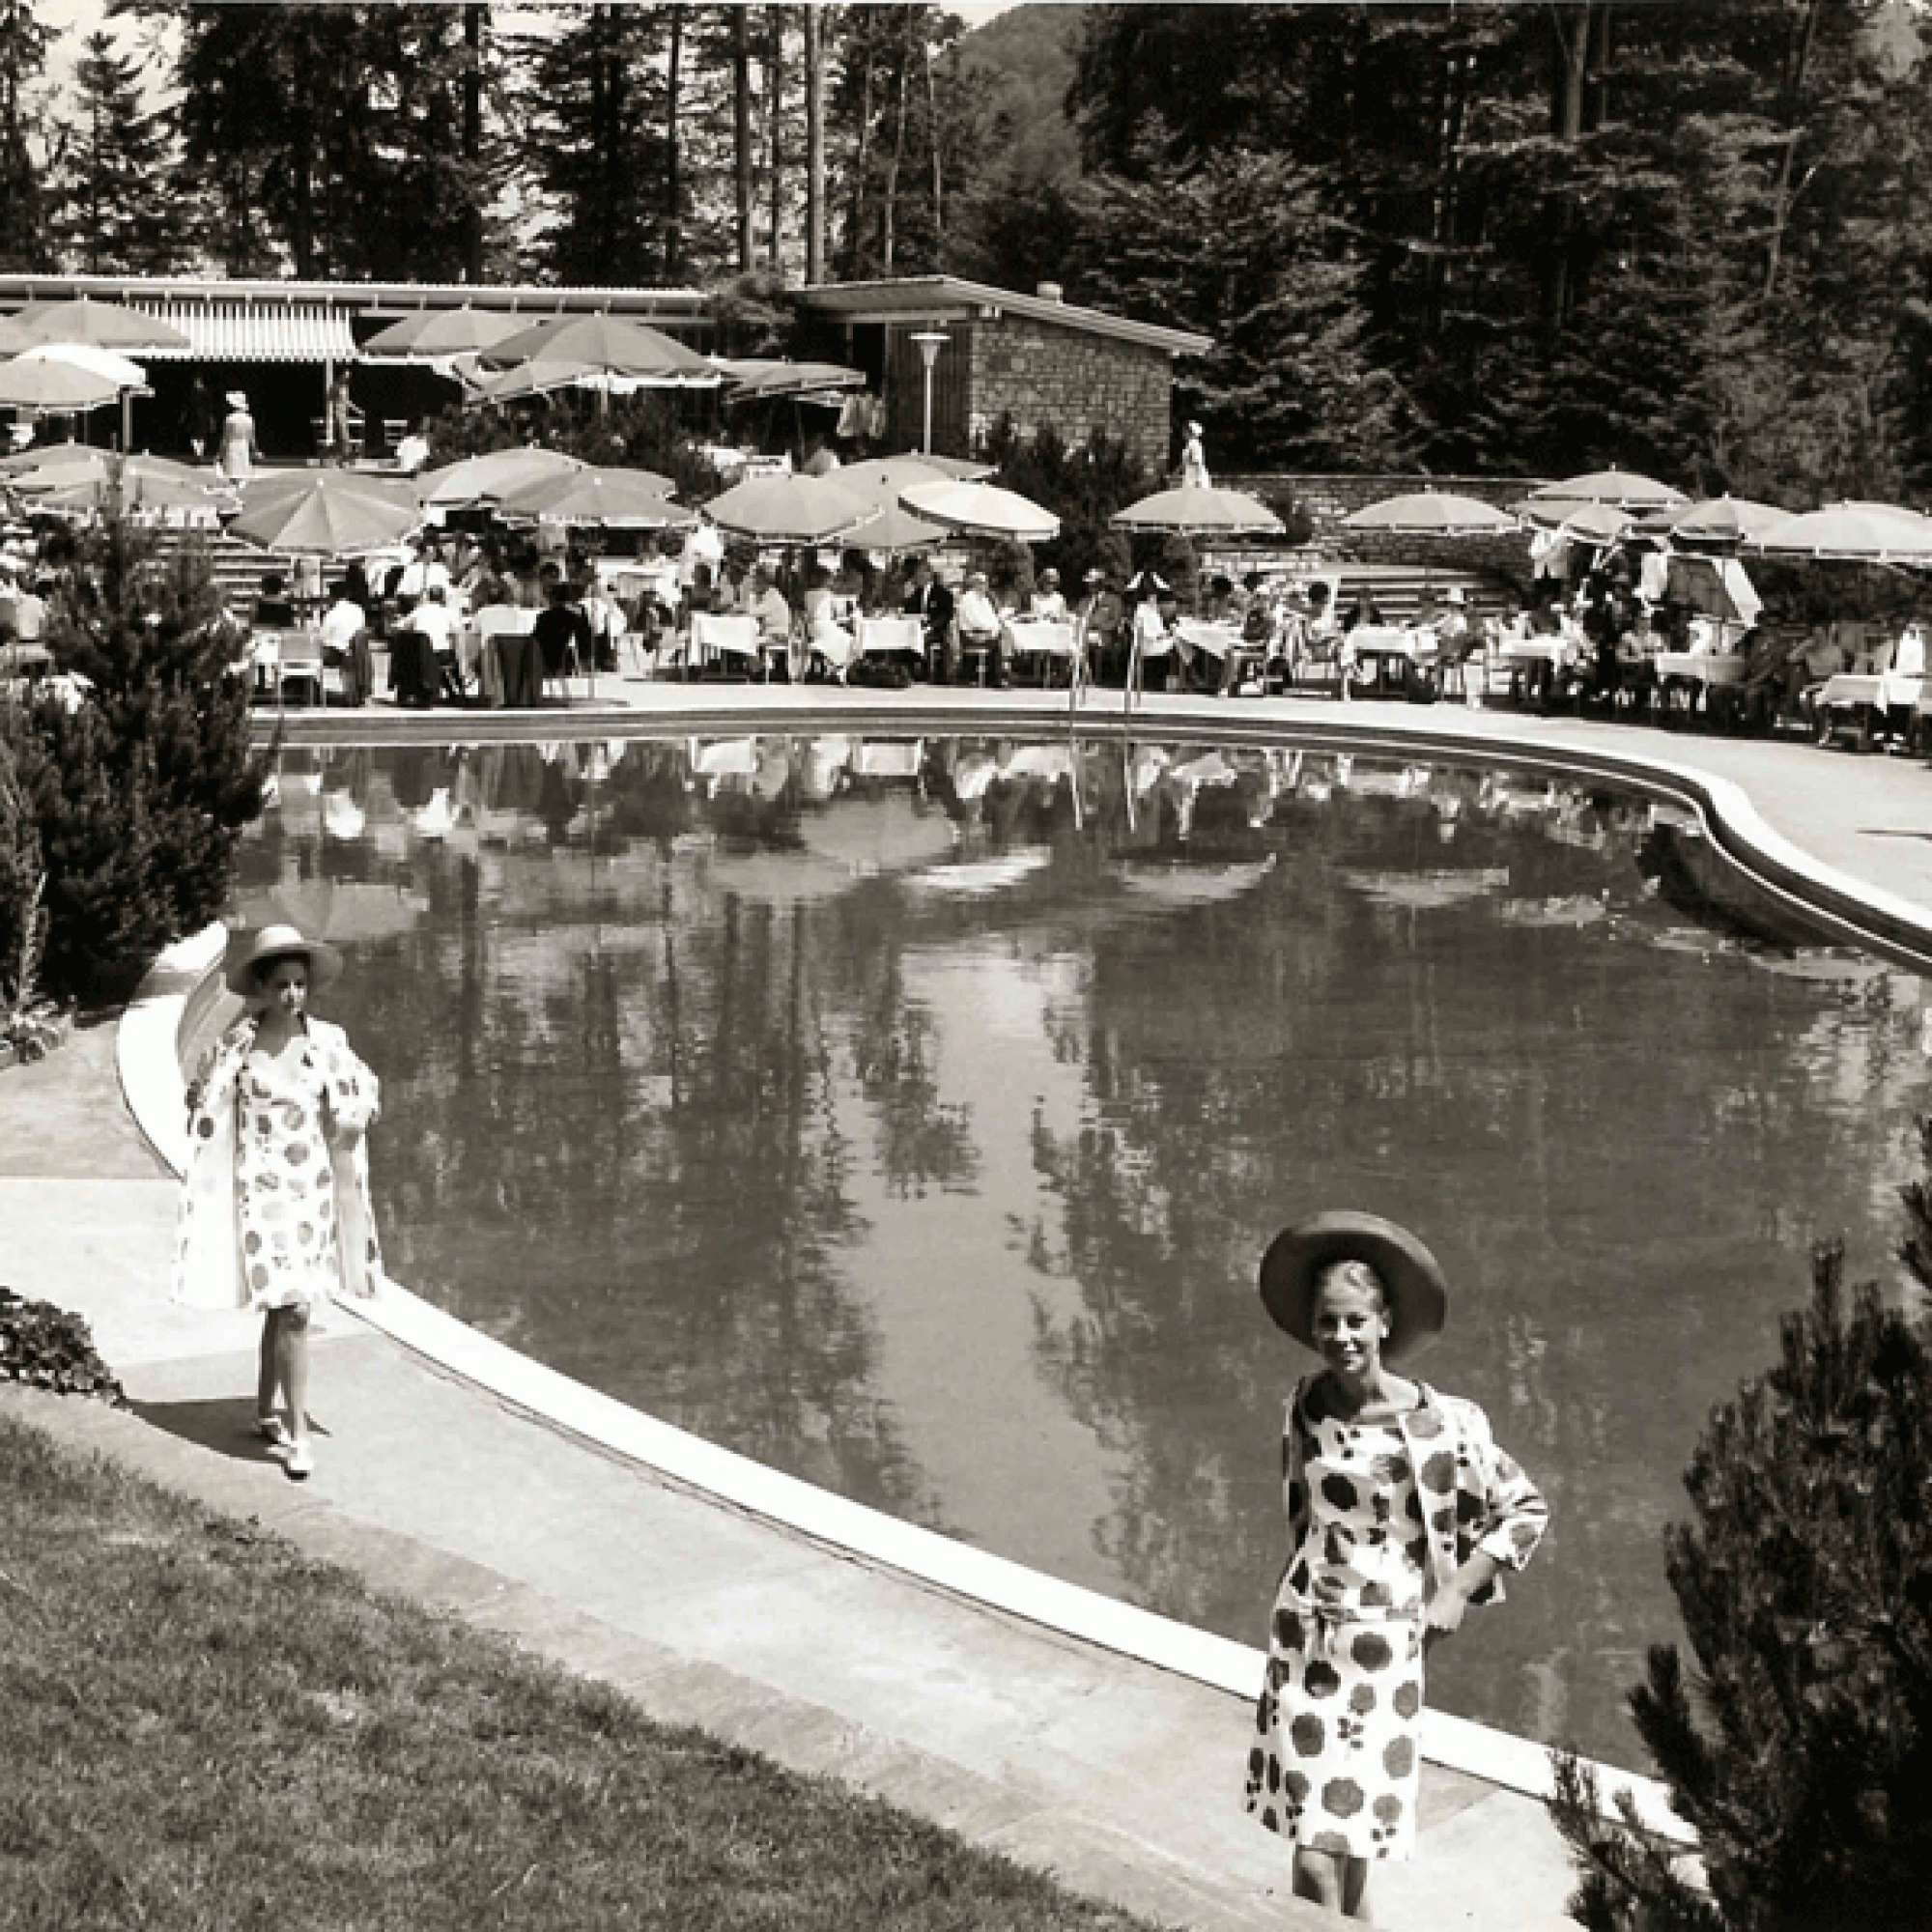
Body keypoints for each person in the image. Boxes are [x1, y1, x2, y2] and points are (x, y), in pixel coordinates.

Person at [1246, 1212, 1548, 1920]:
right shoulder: (1302, 1404)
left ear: (1385, 1324)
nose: (1341, 1339)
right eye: (1327, 1323)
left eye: (1356, 1322)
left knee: (1344, 1843)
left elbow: (1525, 1509)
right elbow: (1303, 1515)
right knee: (1315, 1844)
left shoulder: (1441, 1424)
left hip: (1384, 1651)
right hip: (1303, 1643)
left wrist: (1455, 1594)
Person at [171, 924, 384, 1480]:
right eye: (282, 984)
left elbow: (367, 1091)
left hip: (311, 1193)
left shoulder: (328, 1043)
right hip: (260, 1197)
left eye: (300, 984)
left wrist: (353, 1113)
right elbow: (202, 1108)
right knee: (292, 1309)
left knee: (291, 1308)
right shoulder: (238, 1048)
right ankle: (294, 1434)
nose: (293, 995)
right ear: (261, 988)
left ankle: (268, 1409)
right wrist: (202, 1098)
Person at [951, 569, 1011, 687]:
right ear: (975, 584)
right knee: (998, 643)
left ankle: (998, 674)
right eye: (982, 583)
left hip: (984, 632)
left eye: (985, 583)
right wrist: (994, 628)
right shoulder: (968, 599)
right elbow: (975, 621)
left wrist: (998, 623)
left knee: (1004, 636)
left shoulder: (984, 600)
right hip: (970, 634)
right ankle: (996, 678)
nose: (985, 586)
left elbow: (992, 618)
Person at [319, 580, 373, 705]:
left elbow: (323, 638)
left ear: (331, 596)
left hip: (338, 652)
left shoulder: (331, 614)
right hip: (357, 648)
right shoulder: (359, 610)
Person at [903, 556, 954, 676]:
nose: (918, 576)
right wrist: (906, 598)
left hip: (936, 630)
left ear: (929, 574)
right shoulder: (915, 593)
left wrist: (930, 626)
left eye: (920, 573)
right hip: (916, 627)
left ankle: (925, 670)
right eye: (917, 573)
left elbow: (946, 615)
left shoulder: (943, 593)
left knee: (923, 638)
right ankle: (907, 670)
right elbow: (908, 612)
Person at [217, 390, 258, 482]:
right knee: (242, 475)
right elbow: (252, 438)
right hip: (244, 447)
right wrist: (255, 451)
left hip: (232, 447)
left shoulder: (229, 419)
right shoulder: (249, 419)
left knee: (232, 475)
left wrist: (220, 453)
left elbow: (225, 438)